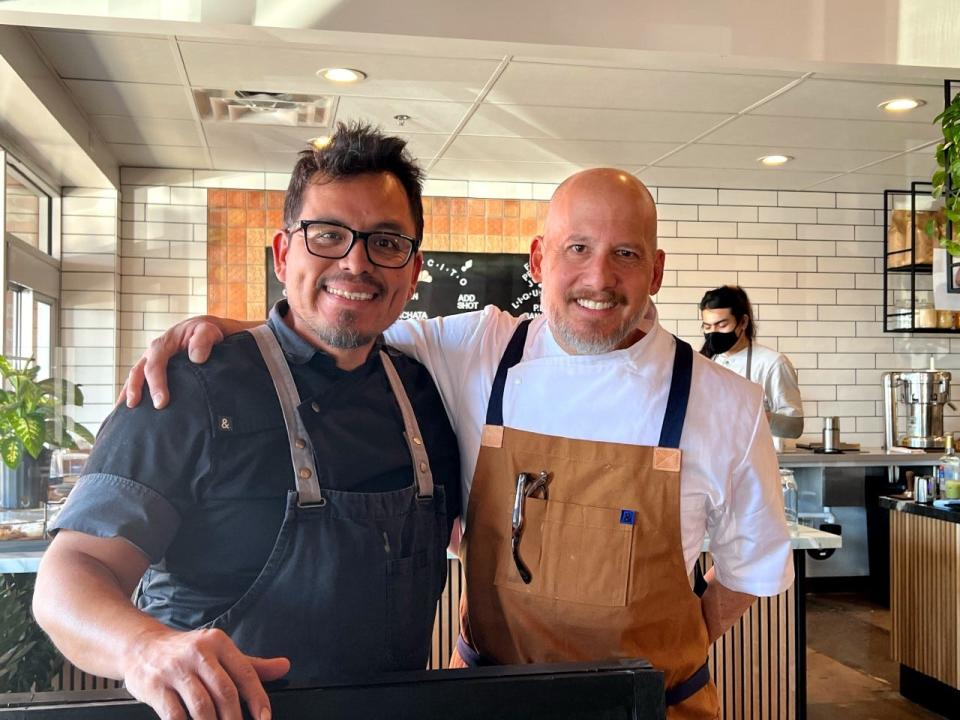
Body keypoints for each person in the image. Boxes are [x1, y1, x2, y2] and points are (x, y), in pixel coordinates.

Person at [124, 168, 793, 720]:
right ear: (539, 259)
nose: (599, 277)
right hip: (489, 702)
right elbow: (342, 326)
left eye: (626, 253)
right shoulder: (478, 347)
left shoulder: (726, 403)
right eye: (577, 248)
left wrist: (663, 658)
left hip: (648, 709)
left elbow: (749, 571)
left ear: (656, 270)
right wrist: (223, 329)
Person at [33, 123, 461, 720]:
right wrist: (144, 647)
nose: (356, 262)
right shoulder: (189, 387)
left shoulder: (424, 394)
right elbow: (70, 575)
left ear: (413, 271)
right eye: (328, 235)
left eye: (386, 242)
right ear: (284, 255)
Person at [699, 285, 804, 440]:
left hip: (753, 460)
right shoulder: (704, 362)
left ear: (743, 322)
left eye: (722, 325)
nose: (714, 332)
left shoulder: (773, 363)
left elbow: (794, 428)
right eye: (707, 326)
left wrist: (750, 413)